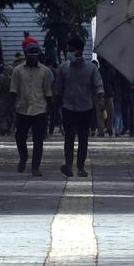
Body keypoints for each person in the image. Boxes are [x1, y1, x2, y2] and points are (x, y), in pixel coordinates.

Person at [54, 48, 103, 177]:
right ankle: (68, 165)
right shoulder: (63, 68)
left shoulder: (91, 68)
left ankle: (80, 167)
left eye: (71, 51)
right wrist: (56, 107)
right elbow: (58, 89)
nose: (69, 54)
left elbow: (98, 85)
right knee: (68, 138)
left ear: (79, 54)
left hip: (85, 108)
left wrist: (100, 98)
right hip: (68, 108)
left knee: (83, 138)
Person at [12, 43, 53, 177]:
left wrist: (49, 110)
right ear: (26, 55)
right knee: (20, 137)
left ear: (39, 56)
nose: (33, 57)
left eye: (35, 55)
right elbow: (13, 90)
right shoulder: (17, 70)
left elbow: (48, 91)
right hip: (22, 109)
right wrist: (12, 109)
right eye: (30, 55)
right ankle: (23, 157)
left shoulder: (45, 71)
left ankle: (35, 166)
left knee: (38, 140)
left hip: (39, 109)